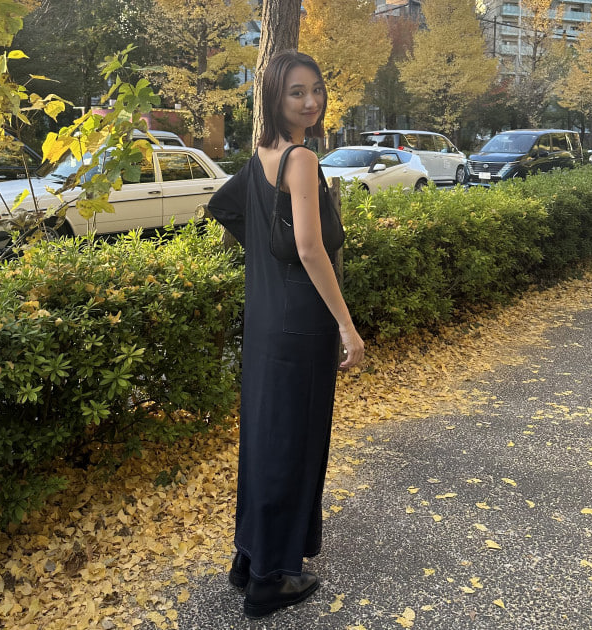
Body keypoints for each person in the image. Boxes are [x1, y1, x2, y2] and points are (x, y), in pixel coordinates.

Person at [207, 49, 365, 619]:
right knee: (293, 445)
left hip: (266, 324)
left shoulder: (262, 155)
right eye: (297, 92)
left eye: (316, 89)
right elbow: (309, 248)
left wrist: (268, 259)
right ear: (274, 97)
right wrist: (347, 326)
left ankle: (250, 559)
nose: (310, 101)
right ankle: (271, 579)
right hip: (301, 325)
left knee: (265, 440)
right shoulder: (300, 159)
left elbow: (224, 207)